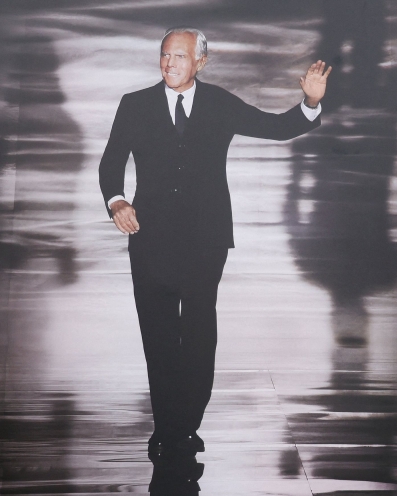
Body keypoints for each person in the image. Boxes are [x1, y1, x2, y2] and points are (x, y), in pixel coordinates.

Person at [98, 28, 331, 454]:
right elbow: (111, 161)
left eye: (180, 56)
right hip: (149, 239)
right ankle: (168, 423)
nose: (170, 63)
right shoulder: (134, 105)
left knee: (200, 330)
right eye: (165, 55)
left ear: (200, 62)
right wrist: (116, 202)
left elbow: (277, 128)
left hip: (206, 240)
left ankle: (187, 420)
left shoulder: (220, 103)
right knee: (159, 333)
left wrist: (310, 103)